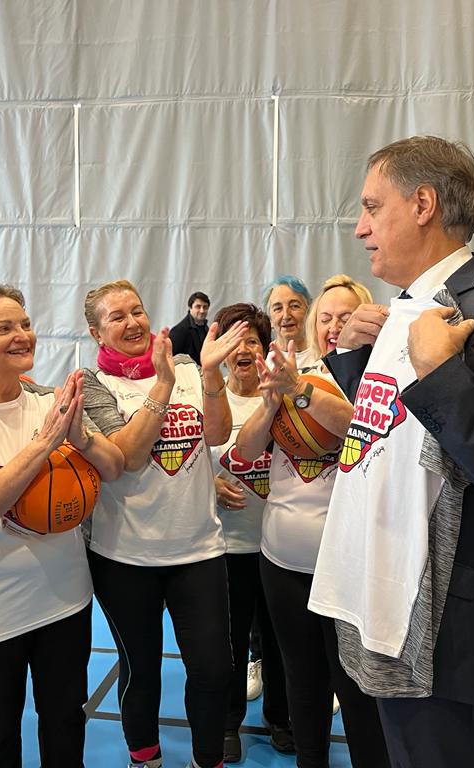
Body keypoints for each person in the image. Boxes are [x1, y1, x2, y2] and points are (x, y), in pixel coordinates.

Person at [307, 136, 474, 768]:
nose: (360, 228)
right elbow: (387, 439)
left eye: (372, 207)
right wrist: (358, 358)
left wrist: (441, 373)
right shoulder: (403, 312)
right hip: (386, 603)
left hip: (443, 633)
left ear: (422, 203)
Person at [0, 283, 124, 768]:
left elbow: (114, 466)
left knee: (66, 723)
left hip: (64, 599)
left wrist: (82, 439)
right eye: (3, 328)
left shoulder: (49, 400)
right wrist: (44, 444)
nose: (22, 335)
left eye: (25, 324)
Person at [81, 279, 247, 768]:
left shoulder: (187, 369)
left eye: (138, 311)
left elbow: (215, 433)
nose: (133, 322)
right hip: (125, 556)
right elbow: (127, 456)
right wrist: (162, 385)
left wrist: (211, 375)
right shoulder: (95, 385)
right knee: (142, 669)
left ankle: (206, 759)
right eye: (118, 317)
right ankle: (145, 758)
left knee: (214, 669)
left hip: (198, 549)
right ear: (96, 332)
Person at [235, 276, 389, 768]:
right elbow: (244, 451)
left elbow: (358, 423)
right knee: (302, 677)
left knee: (355, 682)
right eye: (326, 317)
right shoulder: (295, 373)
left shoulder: (378, 382)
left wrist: (299, 393)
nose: (335, 327)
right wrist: (269, 405)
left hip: (350, 564)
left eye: (346, 317)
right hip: (283, 558)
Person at [207, 303, 291, 763]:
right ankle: (226, 723)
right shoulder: (209, 398)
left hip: (277, 546)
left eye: (252, 341)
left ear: (264, 349)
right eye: (234, 342)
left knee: (280, 641)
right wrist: (208, 483)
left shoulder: (281, 396)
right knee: (231, 642)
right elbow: (178, 460)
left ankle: (280, 717)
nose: (243, 350)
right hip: (227, 547)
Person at [264, 275, 318, 370]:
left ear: (309, 312)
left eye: (294, 306)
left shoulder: (322, 353)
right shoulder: (262, 358)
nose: (286, 316)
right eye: (278, 308)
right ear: (270, 320)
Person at [169, 290, 211, 364]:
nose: (202, 310)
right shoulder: (178, 331)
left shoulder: (206, 328)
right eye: (198, 306)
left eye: (205, 307)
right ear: (190, 307)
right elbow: (172, 360)